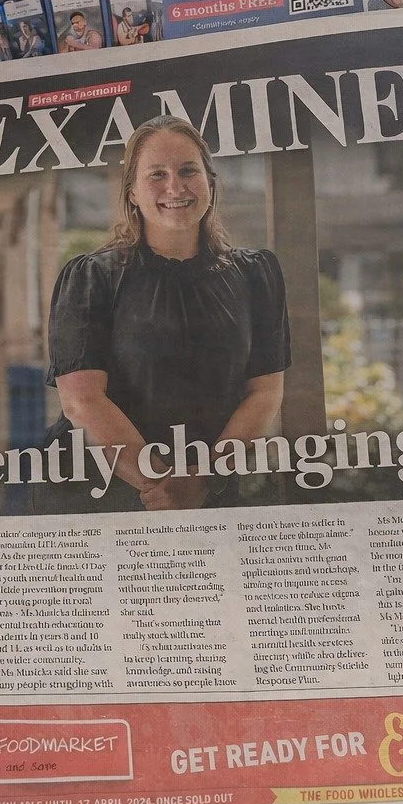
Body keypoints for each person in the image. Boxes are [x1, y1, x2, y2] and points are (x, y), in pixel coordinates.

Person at [41, 116, 290, 513]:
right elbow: (82, 401)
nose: (175, 187)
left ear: (210, 182)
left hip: (210, 488)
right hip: (102, 491)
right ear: (134, 193)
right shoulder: (92, 278)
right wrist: (160, 488)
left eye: (188, 170)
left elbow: (265, 391)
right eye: (157, 174)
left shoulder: (256, 274)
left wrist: (204, 480)